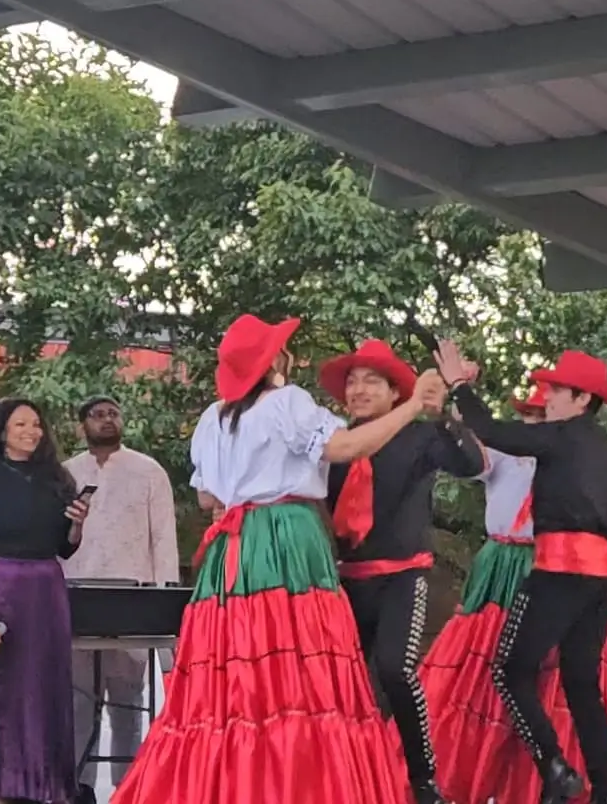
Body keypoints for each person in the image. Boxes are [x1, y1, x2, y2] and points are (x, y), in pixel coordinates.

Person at [113, 314, 439, 804]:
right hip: (287, 539)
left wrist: (246, 485)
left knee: (237, 675)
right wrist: (413, 404)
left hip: (234, 549)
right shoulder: (287, 403)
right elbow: (346, 445)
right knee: (298, 671)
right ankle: (296, 785)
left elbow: (207, 498)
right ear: (274, 361)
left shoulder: (215, 416)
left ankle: (232, 786)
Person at [422, 383, 607, 804]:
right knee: (581, 681)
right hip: (597, 575)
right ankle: (603, 789)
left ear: (581, 401)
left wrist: (460, 385)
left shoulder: (559, 437)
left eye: (555, 395)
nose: (546, 404)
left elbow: (488, 428)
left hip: (558, 569)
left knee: (509, 669)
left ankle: (554, 766)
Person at [318, 339, 481, 804]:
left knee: (395, 668)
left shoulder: (421, 435)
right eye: (352, 381)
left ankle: (424, 781)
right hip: (346, 580)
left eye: (372, 381)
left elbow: (471, 464)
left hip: (402, 576)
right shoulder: (335, 441)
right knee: (344, 684)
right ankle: (354, 778)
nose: (359, 389)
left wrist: (445, 411)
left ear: (395, 393)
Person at [0, 398, 92, 804]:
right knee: (4, 693)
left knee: (44, 690)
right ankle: (2, 786)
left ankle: (42, 785)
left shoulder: (57, 479)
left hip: (46, 588)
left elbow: (63, 548)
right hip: (0, 587)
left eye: (36, 424)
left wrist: (77, 525)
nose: (31, 431)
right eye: (20, 424)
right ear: (2, 432)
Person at [62, 395, 179, 802]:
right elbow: (57, 541)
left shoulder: (148, 471)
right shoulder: (66, 473)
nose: (107, 420)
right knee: (78, 701)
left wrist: (164, 604)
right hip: (77, 594)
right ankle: (80, 787)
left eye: (114, 413)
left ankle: (127, 789)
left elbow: (164, 539)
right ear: (82, 426)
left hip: (132, 598)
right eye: (97, 415)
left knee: (127, 701)